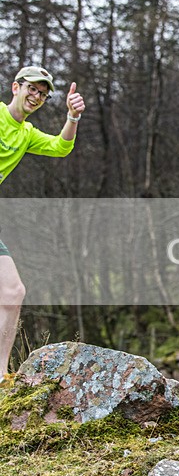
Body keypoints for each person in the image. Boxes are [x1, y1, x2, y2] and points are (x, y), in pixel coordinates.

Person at [0, 66, 86, 379]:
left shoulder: (26, 134)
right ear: (15, 88)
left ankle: (0, 376)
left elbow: (61, 147)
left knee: (12, 292)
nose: (36, 96)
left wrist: (72, 117)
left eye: (42, 93)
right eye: (31, 89)